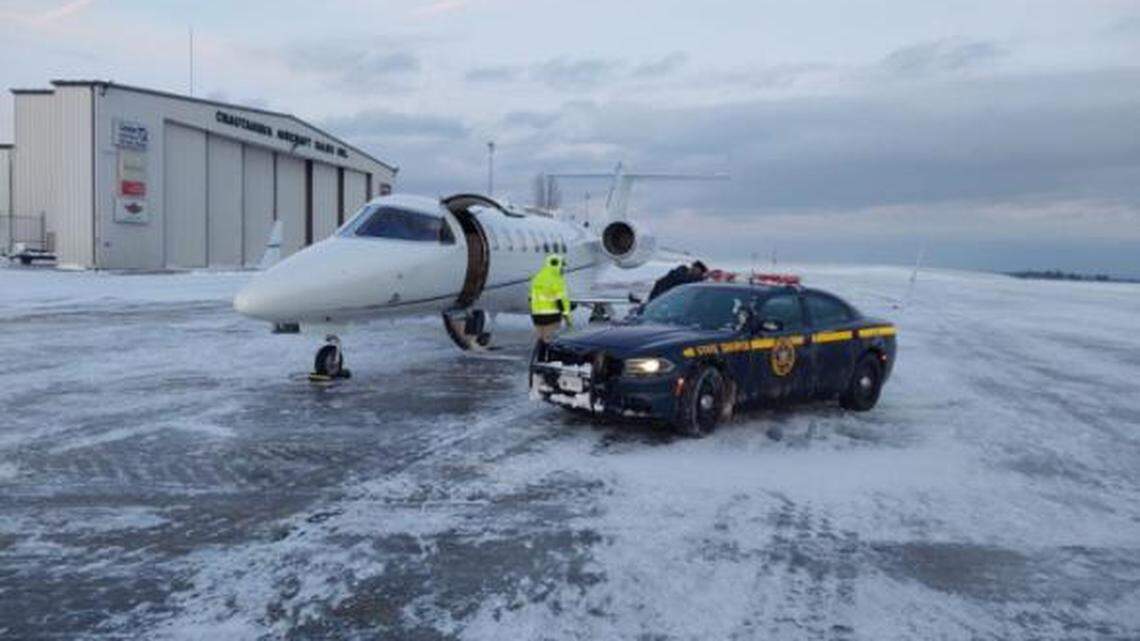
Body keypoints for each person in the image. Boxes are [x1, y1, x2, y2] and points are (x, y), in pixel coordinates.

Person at [530, 254, 572, 342]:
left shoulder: (537, 277)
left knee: (540, 340)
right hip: (552, 316)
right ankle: (550, 355)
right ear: (558, 265)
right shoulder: (556, 279)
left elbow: (530, 298)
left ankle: (539, 355)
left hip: (537, 316)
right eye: (562, 266)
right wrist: (567, 318)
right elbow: (561, 301)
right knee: (551, 341)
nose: (563, 269)